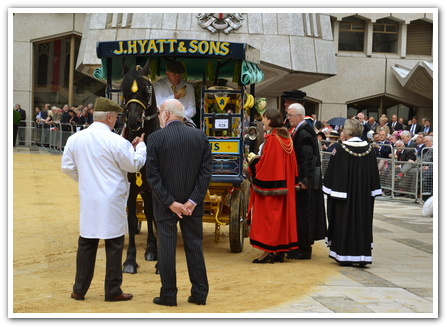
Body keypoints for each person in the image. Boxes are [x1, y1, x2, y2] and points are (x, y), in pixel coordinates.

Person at [61, 97, 146, 302]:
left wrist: (85, 181)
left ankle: (79, 289)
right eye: (116, 117)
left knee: (87, 242)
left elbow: (67, 167)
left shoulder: (76, 138)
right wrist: (141, 146)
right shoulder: (116, 140)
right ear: (109, 117)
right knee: (114, 243)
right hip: (112, 198)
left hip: (89, 196)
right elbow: (134, 165)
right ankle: (112, 290)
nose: (116, 120)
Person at [146, 99, 212, 307]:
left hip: (166, 205)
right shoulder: (200, 137)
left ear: (166, 115)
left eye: (159, 114)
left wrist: (170, 203)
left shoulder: (155, 138)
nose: (158, 117)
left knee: (166, 248)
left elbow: (152, 176)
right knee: (194, 246)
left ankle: (168, 295)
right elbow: (206, 173)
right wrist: (192, 201)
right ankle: (200, 294)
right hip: (193, 205)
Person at [323, 118, 382, 267]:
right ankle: (361, 255)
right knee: (362, 222)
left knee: (344, 221)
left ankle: (344, 254)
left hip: (344, 196)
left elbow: (332, 173)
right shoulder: (369, 150)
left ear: (347, 131)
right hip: (363, 197)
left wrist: (329, 188)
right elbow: (373, 175)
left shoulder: (341, 149)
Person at [245, 109, 299, 264]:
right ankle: (279, 250)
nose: (262, 121)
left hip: (273, 186)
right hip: (285, 184)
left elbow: (268, 164)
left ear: (270, 120)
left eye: (264, 118)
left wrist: (252, 164)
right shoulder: (286, 137)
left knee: (270, 218)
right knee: (281, 219)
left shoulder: (274, 139)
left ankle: (268, 250)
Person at [286, 103, 326, 260]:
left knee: (304, 215)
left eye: (290, 115)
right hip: (304, 180)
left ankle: (303, 249)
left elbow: (308, 158)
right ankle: (300, 246)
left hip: (305, 183)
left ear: (300, 116)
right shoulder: (301, 130)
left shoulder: (304, 132)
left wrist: (305, 180)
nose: (288, 118)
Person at [153, 60, 197, 127]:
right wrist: (174, 97)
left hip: (184, 120)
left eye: (179, 75)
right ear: (167, 73)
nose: (177, 77)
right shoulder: (159, 85)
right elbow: (158, 105)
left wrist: (178, 117)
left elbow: (192, 110)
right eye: (174, 75)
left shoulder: (188, 87)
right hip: (163, 121)